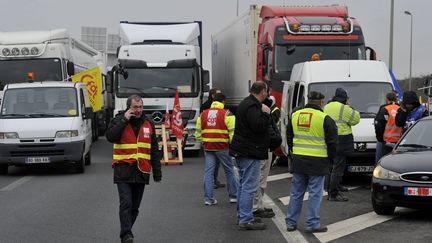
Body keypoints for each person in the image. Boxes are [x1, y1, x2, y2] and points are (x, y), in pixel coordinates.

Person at [106, 94, 162, 243]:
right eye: (135, 107)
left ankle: (126, 231)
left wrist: (157, 171)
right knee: (126, 203)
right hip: (123, 170)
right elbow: (111, 137)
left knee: (135, 207)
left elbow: (154, 149)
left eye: (140, 107)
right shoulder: (118, 120)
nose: (138, 110)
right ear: (128, 107)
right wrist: (125, 120)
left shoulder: (148, 123)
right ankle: (126, 235)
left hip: (141, 170)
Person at [285, 91, 338, 233]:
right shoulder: (324, 118)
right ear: (321, 102)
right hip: (318, 161)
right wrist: (330, 160)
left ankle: (291, 223)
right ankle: (312, 223)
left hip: (299, 160)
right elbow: (332, 143)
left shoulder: (295, 115)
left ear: (308, 100)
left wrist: (294, 151)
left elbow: (289, 135)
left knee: (296, 192)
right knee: (315, 193)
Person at [230, 81, 271, 230]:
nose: (267, 94)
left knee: (243, 185)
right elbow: (258, 126)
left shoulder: (245, 103)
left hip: (242, 150)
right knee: (249, 186)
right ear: (262, 91)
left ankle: (242, 215)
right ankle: (246, 219)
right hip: (250, 151)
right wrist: (266, 114)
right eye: (266, 91)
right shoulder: (253, 106)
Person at [195, 92, 238, 205]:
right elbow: (233, 133)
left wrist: (204, 142)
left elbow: (197, 134)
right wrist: (233, 147)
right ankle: (233, 196)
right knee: (229, 171)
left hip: (208, 147)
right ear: (223, 102)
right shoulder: (227, 114)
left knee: (208, 173)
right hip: (223, 147)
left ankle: (208, 199)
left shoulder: (203, 114)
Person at [324, 88, 360, 202]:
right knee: (338, 167)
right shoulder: (345, 108)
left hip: (329, 139)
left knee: (330, 166)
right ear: (345, 98)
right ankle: (333, 193)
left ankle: (330, 187)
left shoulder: (327, 106)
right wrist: (350, 106)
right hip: (341, 140)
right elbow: (356, 119)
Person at [253, 95, 280, 218]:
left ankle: (259, 204)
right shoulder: (263, 113)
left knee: (261, 179)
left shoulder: (255, 111)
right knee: (260, 179)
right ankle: (256, 207)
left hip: (263, 148)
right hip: (264, 148)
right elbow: (269, 131)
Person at [200, 88, 225, 189]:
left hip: (210, 142)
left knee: (213, 165)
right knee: (226, 168)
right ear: (213, 95)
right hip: (215, 141)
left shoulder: (217, 107)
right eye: (218, 94)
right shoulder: (205, 106)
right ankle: (213, 182)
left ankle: (212, 183)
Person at [374, 92, 401, 164]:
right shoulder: (400, 108)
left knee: (382, 161)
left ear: (387, 99)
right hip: (399, 141)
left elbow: (379, 125)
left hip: (386, 141)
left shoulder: (384, 109)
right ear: (396, 99)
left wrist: (380, 139)